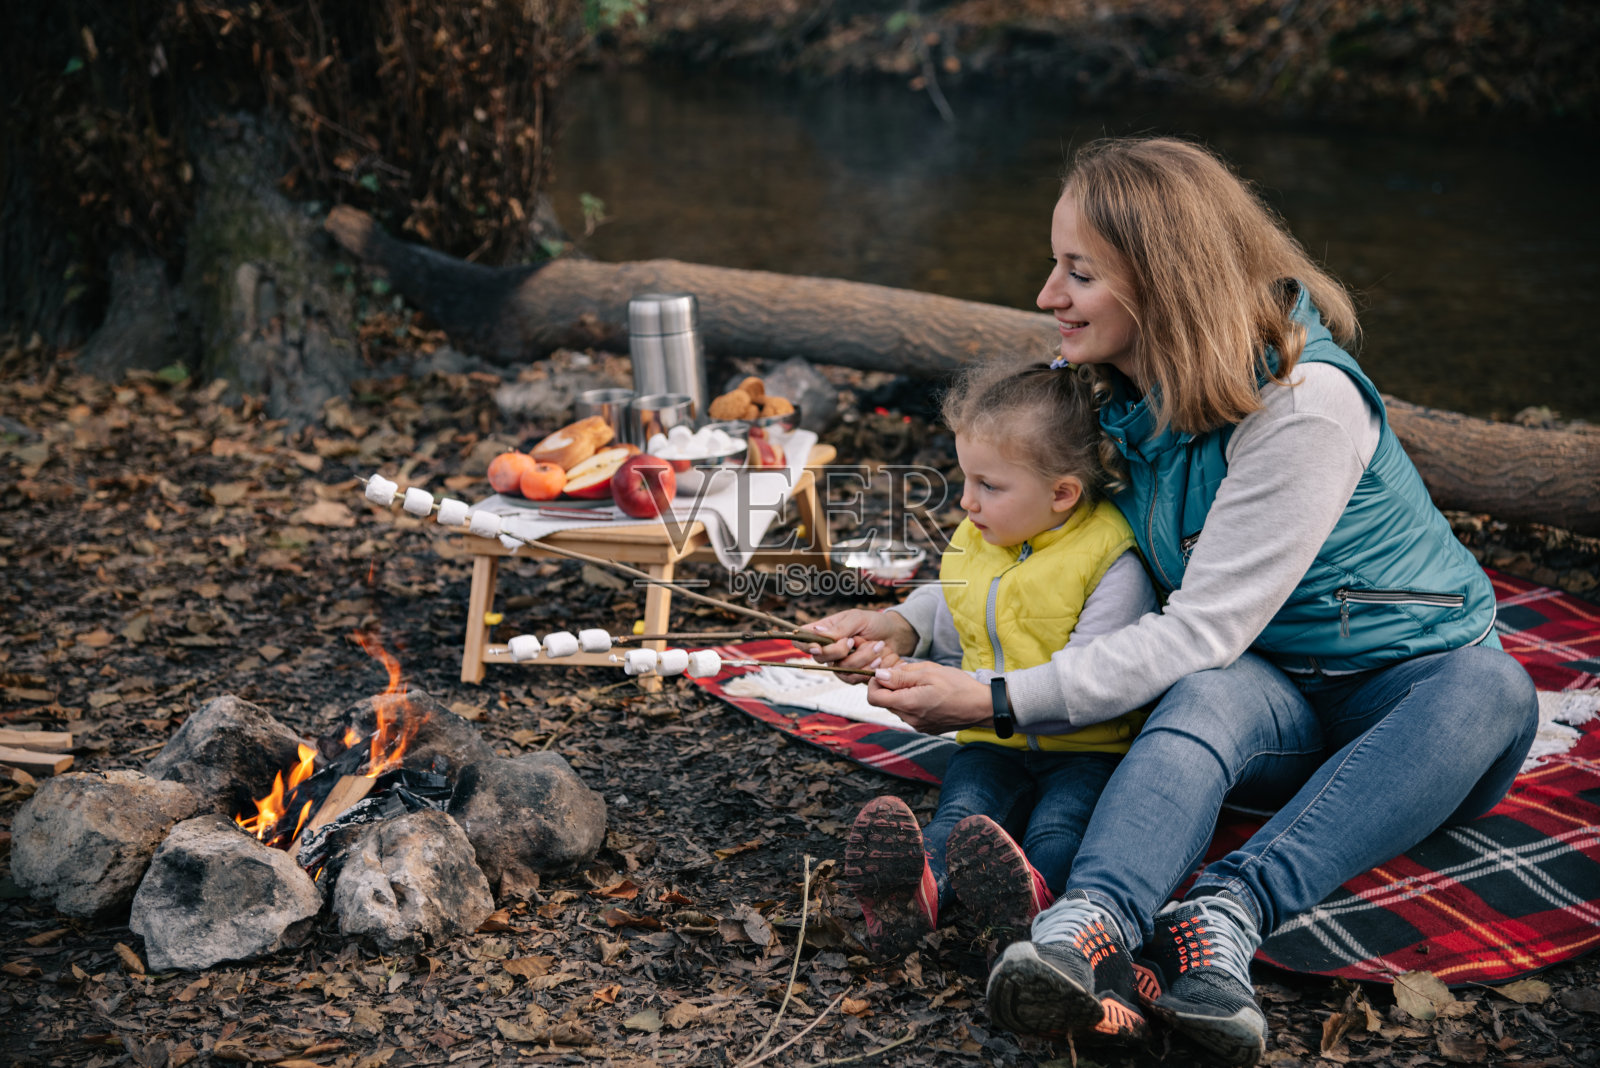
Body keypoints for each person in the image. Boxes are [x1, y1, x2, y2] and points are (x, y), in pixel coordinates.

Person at [805, 136, 1538, 1067]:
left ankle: (1230, 910)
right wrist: (907, 616)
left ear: (1162, 280)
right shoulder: (1118, 391)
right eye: (1055, 266)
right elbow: (1046, 538)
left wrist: (991, 698)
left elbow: (1198, 627)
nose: (1047, 296)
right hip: (1264, 682)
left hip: (1408, 699)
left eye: (1077, 273)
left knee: (1494, 686)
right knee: (1203, 691)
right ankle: (1085, 926)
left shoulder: (1303, 406)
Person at [813, 361, 1156, 1032]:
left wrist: (984, 694)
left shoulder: (1113, 560)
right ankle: (921, 895)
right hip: (989, 738)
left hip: (1084, 749)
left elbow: (1095, 674)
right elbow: (948, 600)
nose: (966, 502)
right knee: (964, 809)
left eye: (988, 486)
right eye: (966, 478)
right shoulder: (984, 534)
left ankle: (1033, 901)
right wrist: (896, 627)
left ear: (1061, 494)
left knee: (1061, 826)